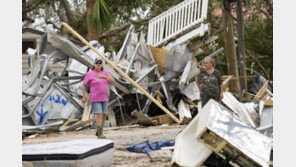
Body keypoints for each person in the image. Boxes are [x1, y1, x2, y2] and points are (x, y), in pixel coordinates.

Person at [82, 57, 114, 138]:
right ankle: (100, 134)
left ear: (102, 64)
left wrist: (103, 77)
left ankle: (99, 130)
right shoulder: (90, 74)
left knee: (104, 115)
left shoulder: (105, 72)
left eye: (100, 63)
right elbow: (84, 85)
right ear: (94, 64)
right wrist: (84, 96)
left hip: (105, 97)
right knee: (99, 114)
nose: (98, 65)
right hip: (95, 97)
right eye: (97, 63)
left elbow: (112, 80)